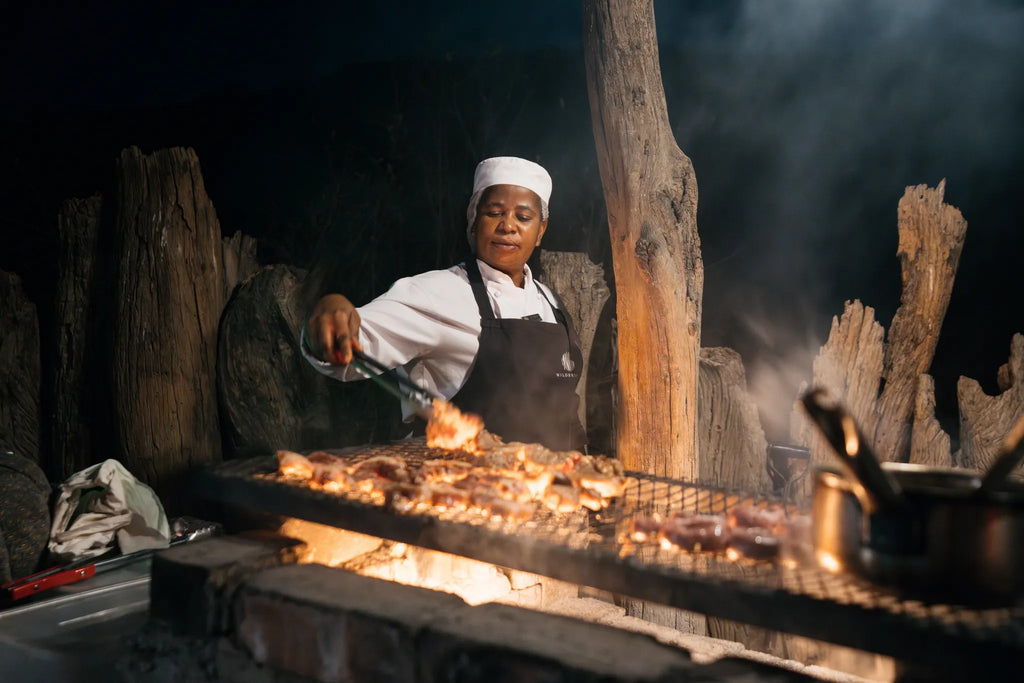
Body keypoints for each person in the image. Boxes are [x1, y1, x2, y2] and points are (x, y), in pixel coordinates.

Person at [303, 156, 587, 451]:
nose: (508, 226)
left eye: (523, 217)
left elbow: (565, 409)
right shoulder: (437, 292)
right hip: (459, 484)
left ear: (540, 231)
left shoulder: (552, 303)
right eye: (494, 212)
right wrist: (330, 311)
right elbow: (351, 348)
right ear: (474, 220)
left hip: (553, 485)